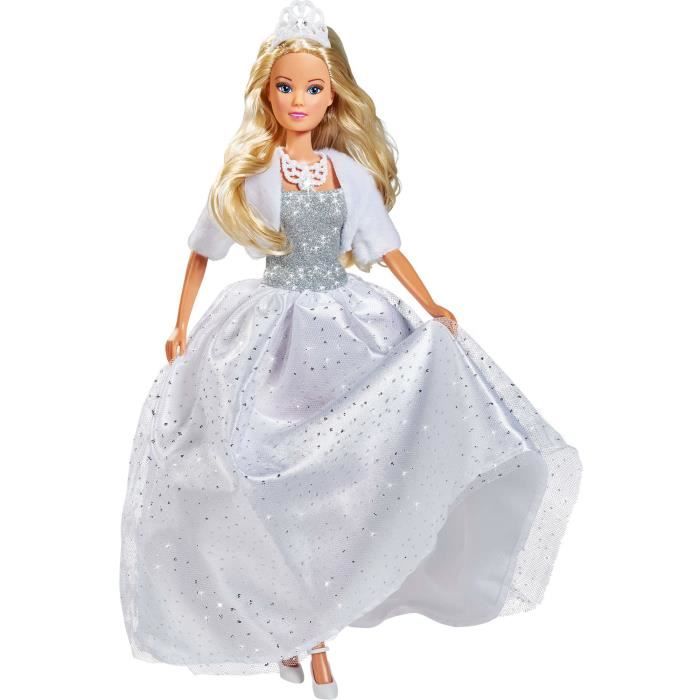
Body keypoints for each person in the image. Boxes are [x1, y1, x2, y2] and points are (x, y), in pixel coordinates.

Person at [119, 2, 583, 697]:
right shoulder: (251, 172)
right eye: (285, 87)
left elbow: (387, 250)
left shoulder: (345, 171)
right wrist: (180, 324)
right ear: (266, 93)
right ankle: (300, 636)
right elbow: (201, 251)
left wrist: (431, 304)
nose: (298, 100)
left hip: (346, 328)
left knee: (339, 484)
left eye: (312, 88)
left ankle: (313, 629)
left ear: (333, 94)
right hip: (266, 336)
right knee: (261, 478)